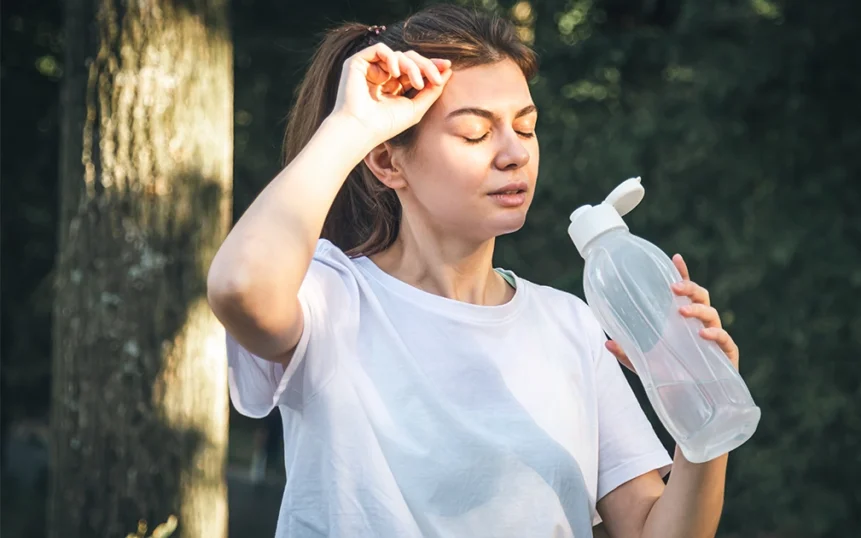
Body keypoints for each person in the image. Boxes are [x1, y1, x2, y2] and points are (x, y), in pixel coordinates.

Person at [207, 4, 741, 537]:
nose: (514, 154)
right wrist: (351, 126)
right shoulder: (330, 298)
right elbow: (238, 287)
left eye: (526, 129)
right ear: (388, 162)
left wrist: (703, 405)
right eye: (474, 133)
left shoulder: (570, 326)